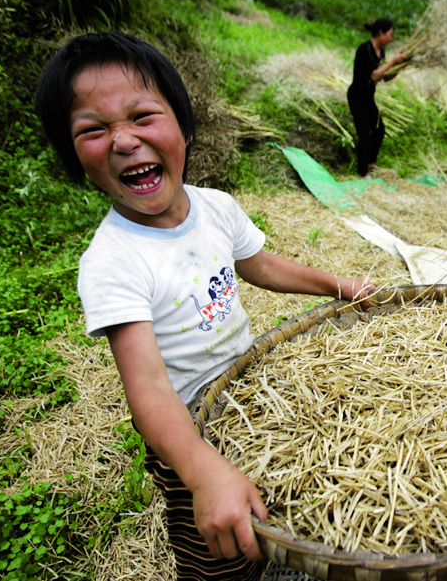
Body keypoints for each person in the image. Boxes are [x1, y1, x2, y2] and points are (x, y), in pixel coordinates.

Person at [35, 32, 375, 581]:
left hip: (255, 401)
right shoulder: (112, 261)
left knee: (277, 511)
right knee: (218, 551)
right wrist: (201, 472)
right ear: (74, 156)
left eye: (142, 116)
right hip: (188, 431)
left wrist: (340, 284)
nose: (123, 140)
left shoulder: (216, 207)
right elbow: (147, 389)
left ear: (184, 126)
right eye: (92, 130)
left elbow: (263, 266)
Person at [347, 18, 406, 179]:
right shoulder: (365, 49)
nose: (391, 38)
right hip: (357, 96)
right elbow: (374, 75)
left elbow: (385, 77)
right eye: (390, 35)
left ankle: (370, 162)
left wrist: (400, 66)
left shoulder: (382, 52)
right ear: (381, 33)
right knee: (364, 133)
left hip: (368, 97)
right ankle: (362, 172)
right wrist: (393, 60)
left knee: (379, 130)